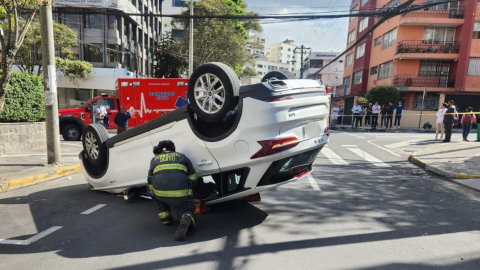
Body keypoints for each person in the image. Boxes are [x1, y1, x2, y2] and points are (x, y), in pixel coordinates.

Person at [148, 140, 197, 241]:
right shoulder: (182, 157)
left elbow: (149, 179)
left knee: (151, 188)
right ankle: (186, 216)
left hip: (160, 194)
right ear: (173, 147)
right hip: (180, 194)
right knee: (187, 208)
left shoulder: (154, 160)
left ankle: (165, 218)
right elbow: (193, 178)